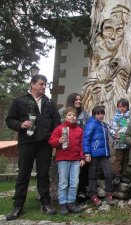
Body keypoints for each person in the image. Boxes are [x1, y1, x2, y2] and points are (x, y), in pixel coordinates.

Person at [5, 74, 60, 220]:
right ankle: (18, 206)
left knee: (43, 174)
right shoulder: (20, 101)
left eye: (45, 84)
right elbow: (10, 120)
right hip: (27, 142)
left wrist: (53, 138)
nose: (44, 87)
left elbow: (56, 122)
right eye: (41, 84)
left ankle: (46, 203)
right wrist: (20, 124)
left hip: (44, 144)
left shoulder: (49, 102)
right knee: (23, 174)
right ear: (32, 84)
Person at [48, 107, 85, 215]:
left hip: (75, 160)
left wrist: (82, 158)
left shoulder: (79, 130)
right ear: (65, 117)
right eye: (69, 115)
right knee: (63, 183)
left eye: (74, 115)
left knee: (74, 183)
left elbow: (82, 145)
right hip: (63, 159)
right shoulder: (59, 128)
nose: (72, 117)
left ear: (76, 118)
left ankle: (71, 203)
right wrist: (59, 141)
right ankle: (63, 204)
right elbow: (51, 141)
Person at [59, 93, 90, 200]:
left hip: (81, 144)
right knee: (66, 173)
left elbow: (89, 127)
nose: (79, 101)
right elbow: (57, 127)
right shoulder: (62, 112)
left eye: (80, 99)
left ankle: (81, 191)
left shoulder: (85, 113)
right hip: (67, 147)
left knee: (83, 168)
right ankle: (65, 196)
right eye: (76, 99)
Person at [82, 106, 114, 206]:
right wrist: (87, 153)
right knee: (93, 175)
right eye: (98, 114)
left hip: (104, 154)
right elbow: (86, 138)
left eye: (102, 113)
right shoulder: (91, 124)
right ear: (94, 114)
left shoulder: (104, 124)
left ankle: (109, 194)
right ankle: (93, 195)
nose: (100, 116)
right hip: (93, 154)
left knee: (108, 173)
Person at [109, 98, 131, 185]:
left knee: (126, 159)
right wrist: (114, 135)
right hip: (119, 143)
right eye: (120, 107)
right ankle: (117, 175)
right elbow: (111, 128)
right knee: (118, 159)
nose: (122, 108)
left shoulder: (130, 117)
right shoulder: (115, 117)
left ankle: (124, 174)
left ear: (127, 107)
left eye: (124, 107)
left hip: (127, 142)